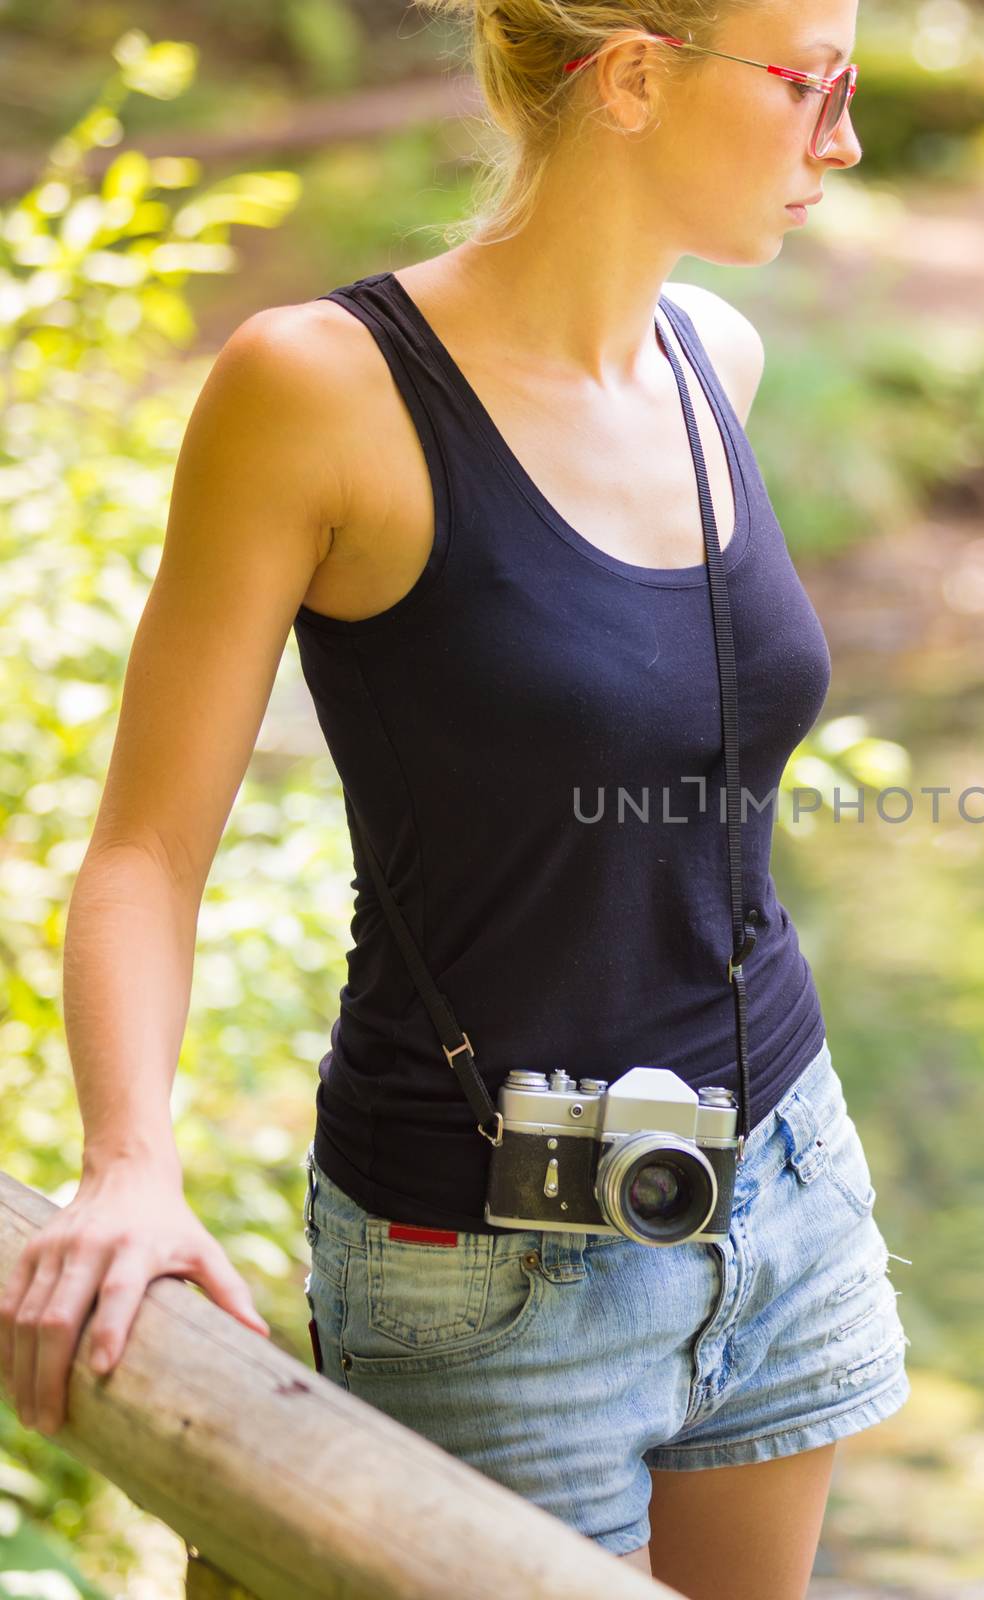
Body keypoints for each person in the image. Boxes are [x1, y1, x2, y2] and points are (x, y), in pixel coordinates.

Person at [0, 0, 911, 1592]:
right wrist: (131, 1164)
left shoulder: (717, 362)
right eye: (807, 84)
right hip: (482, 1263)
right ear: (633, 74)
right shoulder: (319, 389)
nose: (842, 136)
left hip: (785, 1195)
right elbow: (145, 852)